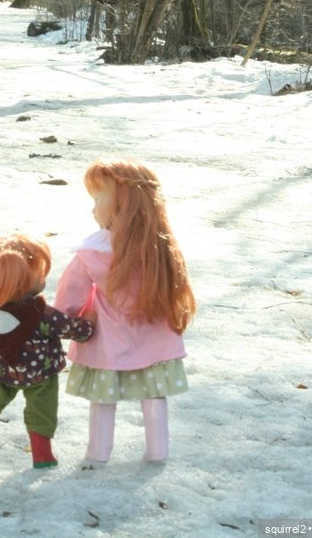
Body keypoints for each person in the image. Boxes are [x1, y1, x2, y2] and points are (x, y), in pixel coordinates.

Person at [54, 159, 195, 465]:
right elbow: (177, 287)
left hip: (108, 339)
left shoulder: (93, 251)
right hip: (155, 337)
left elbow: (70, 294)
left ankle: (98, 453)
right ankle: (158, 451)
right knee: (154, 393)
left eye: (97, 199)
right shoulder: (161, 248)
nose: (93, 208)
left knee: (103, 398)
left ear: (122, 203)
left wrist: (66, 320)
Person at [0, 233, 94, 468]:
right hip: (39, 372)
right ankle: (42, 455)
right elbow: (72, 329)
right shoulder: (39, 313)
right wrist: (88, 324)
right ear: (23, 279)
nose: (43, 278)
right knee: (42, 409)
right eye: (39, 273)